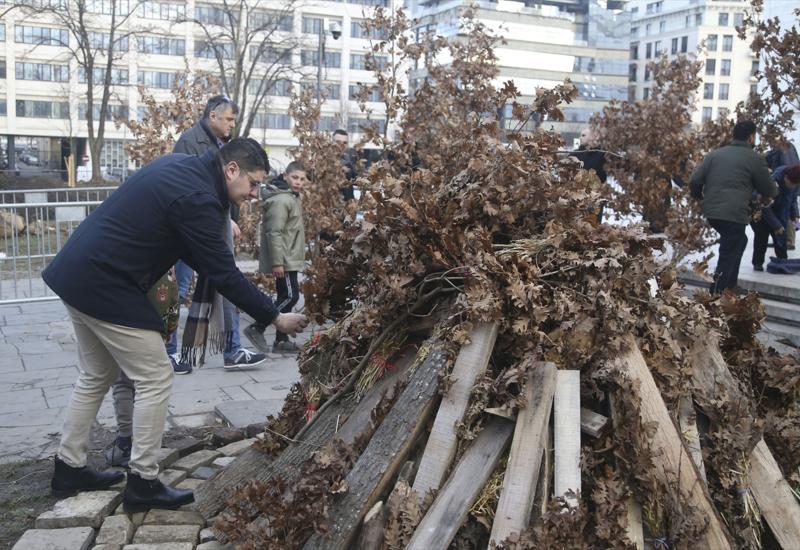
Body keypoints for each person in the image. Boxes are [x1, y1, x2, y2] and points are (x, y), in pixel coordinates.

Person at [42, 138, 309, 510]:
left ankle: (68, 468)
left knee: (96, 375)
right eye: (253, 183)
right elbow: (223, 274)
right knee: (154, 376)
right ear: (231, 169)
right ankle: (143, 482)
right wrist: (275, 315)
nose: (254, 192)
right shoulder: (198, 197)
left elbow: (186, 245)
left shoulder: (183, 169)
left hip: (77, 272)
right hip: (104, 282)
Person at [171, 95, 267, 370]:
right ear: (212, 116)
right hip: (190, 231)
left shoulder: (224, 145)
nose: (232, 124)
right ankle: (169, 351)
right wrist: (221, 220)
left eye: (234, 120)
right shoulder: (190, 142)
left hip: (218, 225)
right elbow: (188, 191)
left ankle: (232, 348)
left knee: (225, 284)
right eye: (229, 119)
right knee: (179, 289)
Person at [689, 120, 777, 294]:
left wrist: (700, 196)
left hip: (713, 212)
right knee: (729, 251)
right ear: (751, 137)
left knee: (739, 241)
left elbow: (695, 180)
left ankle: (730, 285)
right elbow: (768, 188)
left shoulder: (715, 154)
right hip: (733, 213)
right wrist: (771, 193)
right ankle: (717, 292)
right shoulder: (754, 158)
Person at [245, 161, 308, 354]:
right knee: (291, 295)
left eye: (302, 179)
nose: (298, 182)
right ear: (285, 176)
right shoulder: (281, 199)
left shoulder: (290, 197)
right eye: (295, 177)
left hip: (288, 255)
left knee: (284, 296)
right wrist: (277, 262)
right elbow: (274, 232)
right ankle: (258, 326)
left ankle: (281, 341)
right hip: (284, 258)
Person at [751, 164, 800, 271]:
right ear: (786, 177)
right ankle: (758, 263)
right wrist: (776, 225)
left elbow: (792, 200)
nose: (792, 186)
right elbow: (765, 207)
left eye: (795, 185)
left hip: (780, 212)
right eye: (791, 183)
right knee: (761, 237)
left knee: (781, 237)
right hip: (761, 212)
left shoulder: (795, 183)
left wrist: (795, 216)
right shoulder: (772, 182)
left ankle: (783, 262)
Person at [766, 141, 800, 250]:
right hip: (791, 177)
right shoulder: (791, 146)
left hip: (787, 180)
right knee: (787, 210)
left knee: (785, 210)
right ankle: (785, 240)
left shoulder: (778, 149)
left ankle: (788, 241)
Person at [333, 129, 357, 201]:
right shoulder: (321, 162)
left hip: (347, 206)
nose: (341, 145)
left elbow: (358, 178)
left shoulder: (350, 161)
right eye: (338, 142)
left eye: (345, 143)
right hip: (328, 207)